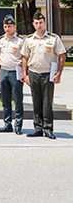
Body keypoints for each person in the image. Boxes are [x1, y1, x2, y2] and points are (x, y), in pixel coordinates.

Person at [21, 10, 65, 139]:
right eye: (36, 23)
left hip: (48, 74)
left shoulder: (53, 38)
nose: (39, 25)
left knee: (47, 102)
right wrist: (25, 74)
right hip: (34, 72)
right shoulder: (29, 39)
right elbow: (25, 58)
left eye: (41, 22)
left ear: (45, 23)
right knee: (36, 101)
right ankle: (38, 127)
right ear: (33, 24)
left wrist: (59, 74)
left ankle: (48, 128)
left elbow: (61, 56)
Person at [0, 14, 24, 134]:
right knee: (5, 99)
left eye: (10, 26)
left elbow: (24, 57)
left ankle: (18, 125)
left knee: (17, 99)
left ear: (15, 27)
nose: (7, 28)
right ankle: (7, 124)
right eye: (5, 26)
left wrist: (24, 72)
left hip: (16, 71)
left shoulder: (20, 41)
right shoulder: (1, 40)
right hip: (4, 71)